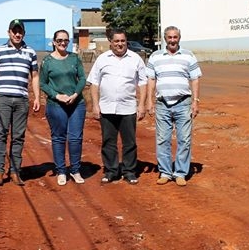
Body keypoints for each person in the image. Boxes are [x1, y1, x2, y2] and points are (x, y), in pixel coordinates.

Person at [0, 19, 40, 186]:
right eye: (14, 31)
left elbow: (35, 76)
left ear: (23, 33)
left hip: (22, 99)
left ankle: (15, 171)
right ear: (9, 32)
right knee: (1, 134)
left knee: (18, 136)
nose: (17, 34)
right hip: (2, 98)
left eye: (20, 31)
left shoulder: (30, 52)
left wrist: (36, 97)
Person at [87, 28, 147, 184]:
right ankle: (111, 171)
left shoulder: (135, 59)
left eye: (123, 41)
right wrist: (95, 105)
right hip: (106, 107)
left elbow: (143, 82)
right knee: (108, 141)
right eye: (117, 41)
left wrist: (142, 105)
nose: (120, 44)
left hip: (128, 108)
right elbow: (94, 83)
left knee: (130, 142)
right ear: (110, 42)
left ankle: (129, 171)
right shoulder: (102, 59)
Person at [146, 26, 202, 187]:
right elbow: (151, 79)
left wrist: (195, 101)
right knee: (163, 139)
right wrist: (149, 101)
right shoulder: (155, 56)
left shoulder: (188, 55)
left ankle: (180, 173)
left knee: (184, 139)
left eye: (175, 37)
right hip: (162, 103)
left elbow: (195, 79)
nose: (172, 40)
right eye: (169, 37)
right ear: (164, 38)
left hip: (183, 102)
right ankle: (165, 172)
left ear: (179, 38)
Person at [40, 30, 87, 186]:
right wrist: (56, 95)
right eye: (59, 40)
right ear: (54, 42)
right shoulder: (47, 62)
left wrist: (75, 94)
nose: (62, 43)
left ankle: (75, 169)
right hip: (56, 105)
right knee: (59, 138)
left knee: (75, 138)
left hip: (76, 104)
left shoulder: (74, 58)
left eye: (66, 40)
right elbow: (42, 83)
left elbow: (82, 79)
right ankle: (61, 171)